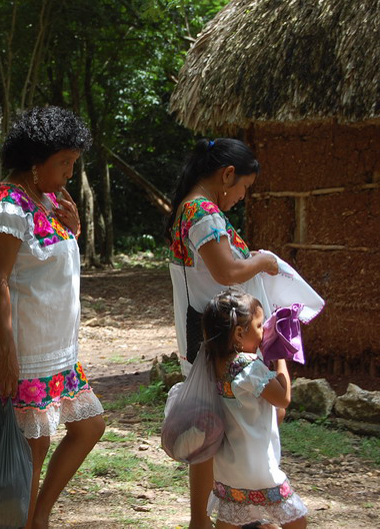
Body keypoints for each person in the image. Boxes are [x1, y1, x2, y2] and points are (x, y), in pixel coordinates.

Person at [0, 106, 105, 529]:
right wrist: (8, 355)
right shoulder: (6, 209)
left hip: (57, 349)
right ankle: (27, 521)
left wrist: (76, 226)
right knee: (32, 447)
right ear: (36, 163)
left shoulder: (48, 200)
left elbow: (54, 259)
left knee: (89, 426)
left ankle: (38, 517)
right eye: (64, 162)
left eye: (73, 162)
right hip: (26, 350)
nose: (70, 173)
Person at [164, 138, 279, 529]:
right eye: (244, 187)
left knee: (210, 429)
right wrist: (263, 260)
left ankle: (216, 516)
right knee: (215, 431)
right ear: (227, 175)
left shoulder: (190, 209)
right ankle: (209, 518)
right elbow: (226, 272)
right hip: (217, 340)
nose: (242, 196)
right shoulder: (202, 212)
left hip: (204, 334)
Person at [201, 288, 307, 528]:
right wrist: (281, 356)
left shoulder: (214, 361)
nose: (264, 333)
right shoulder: (248, 365)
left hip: (228, 466)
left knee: (230, 518)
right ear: (239, 334)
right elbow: (283, 399)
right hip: (258, 467)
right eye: (260, 327)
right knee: (297, 521)